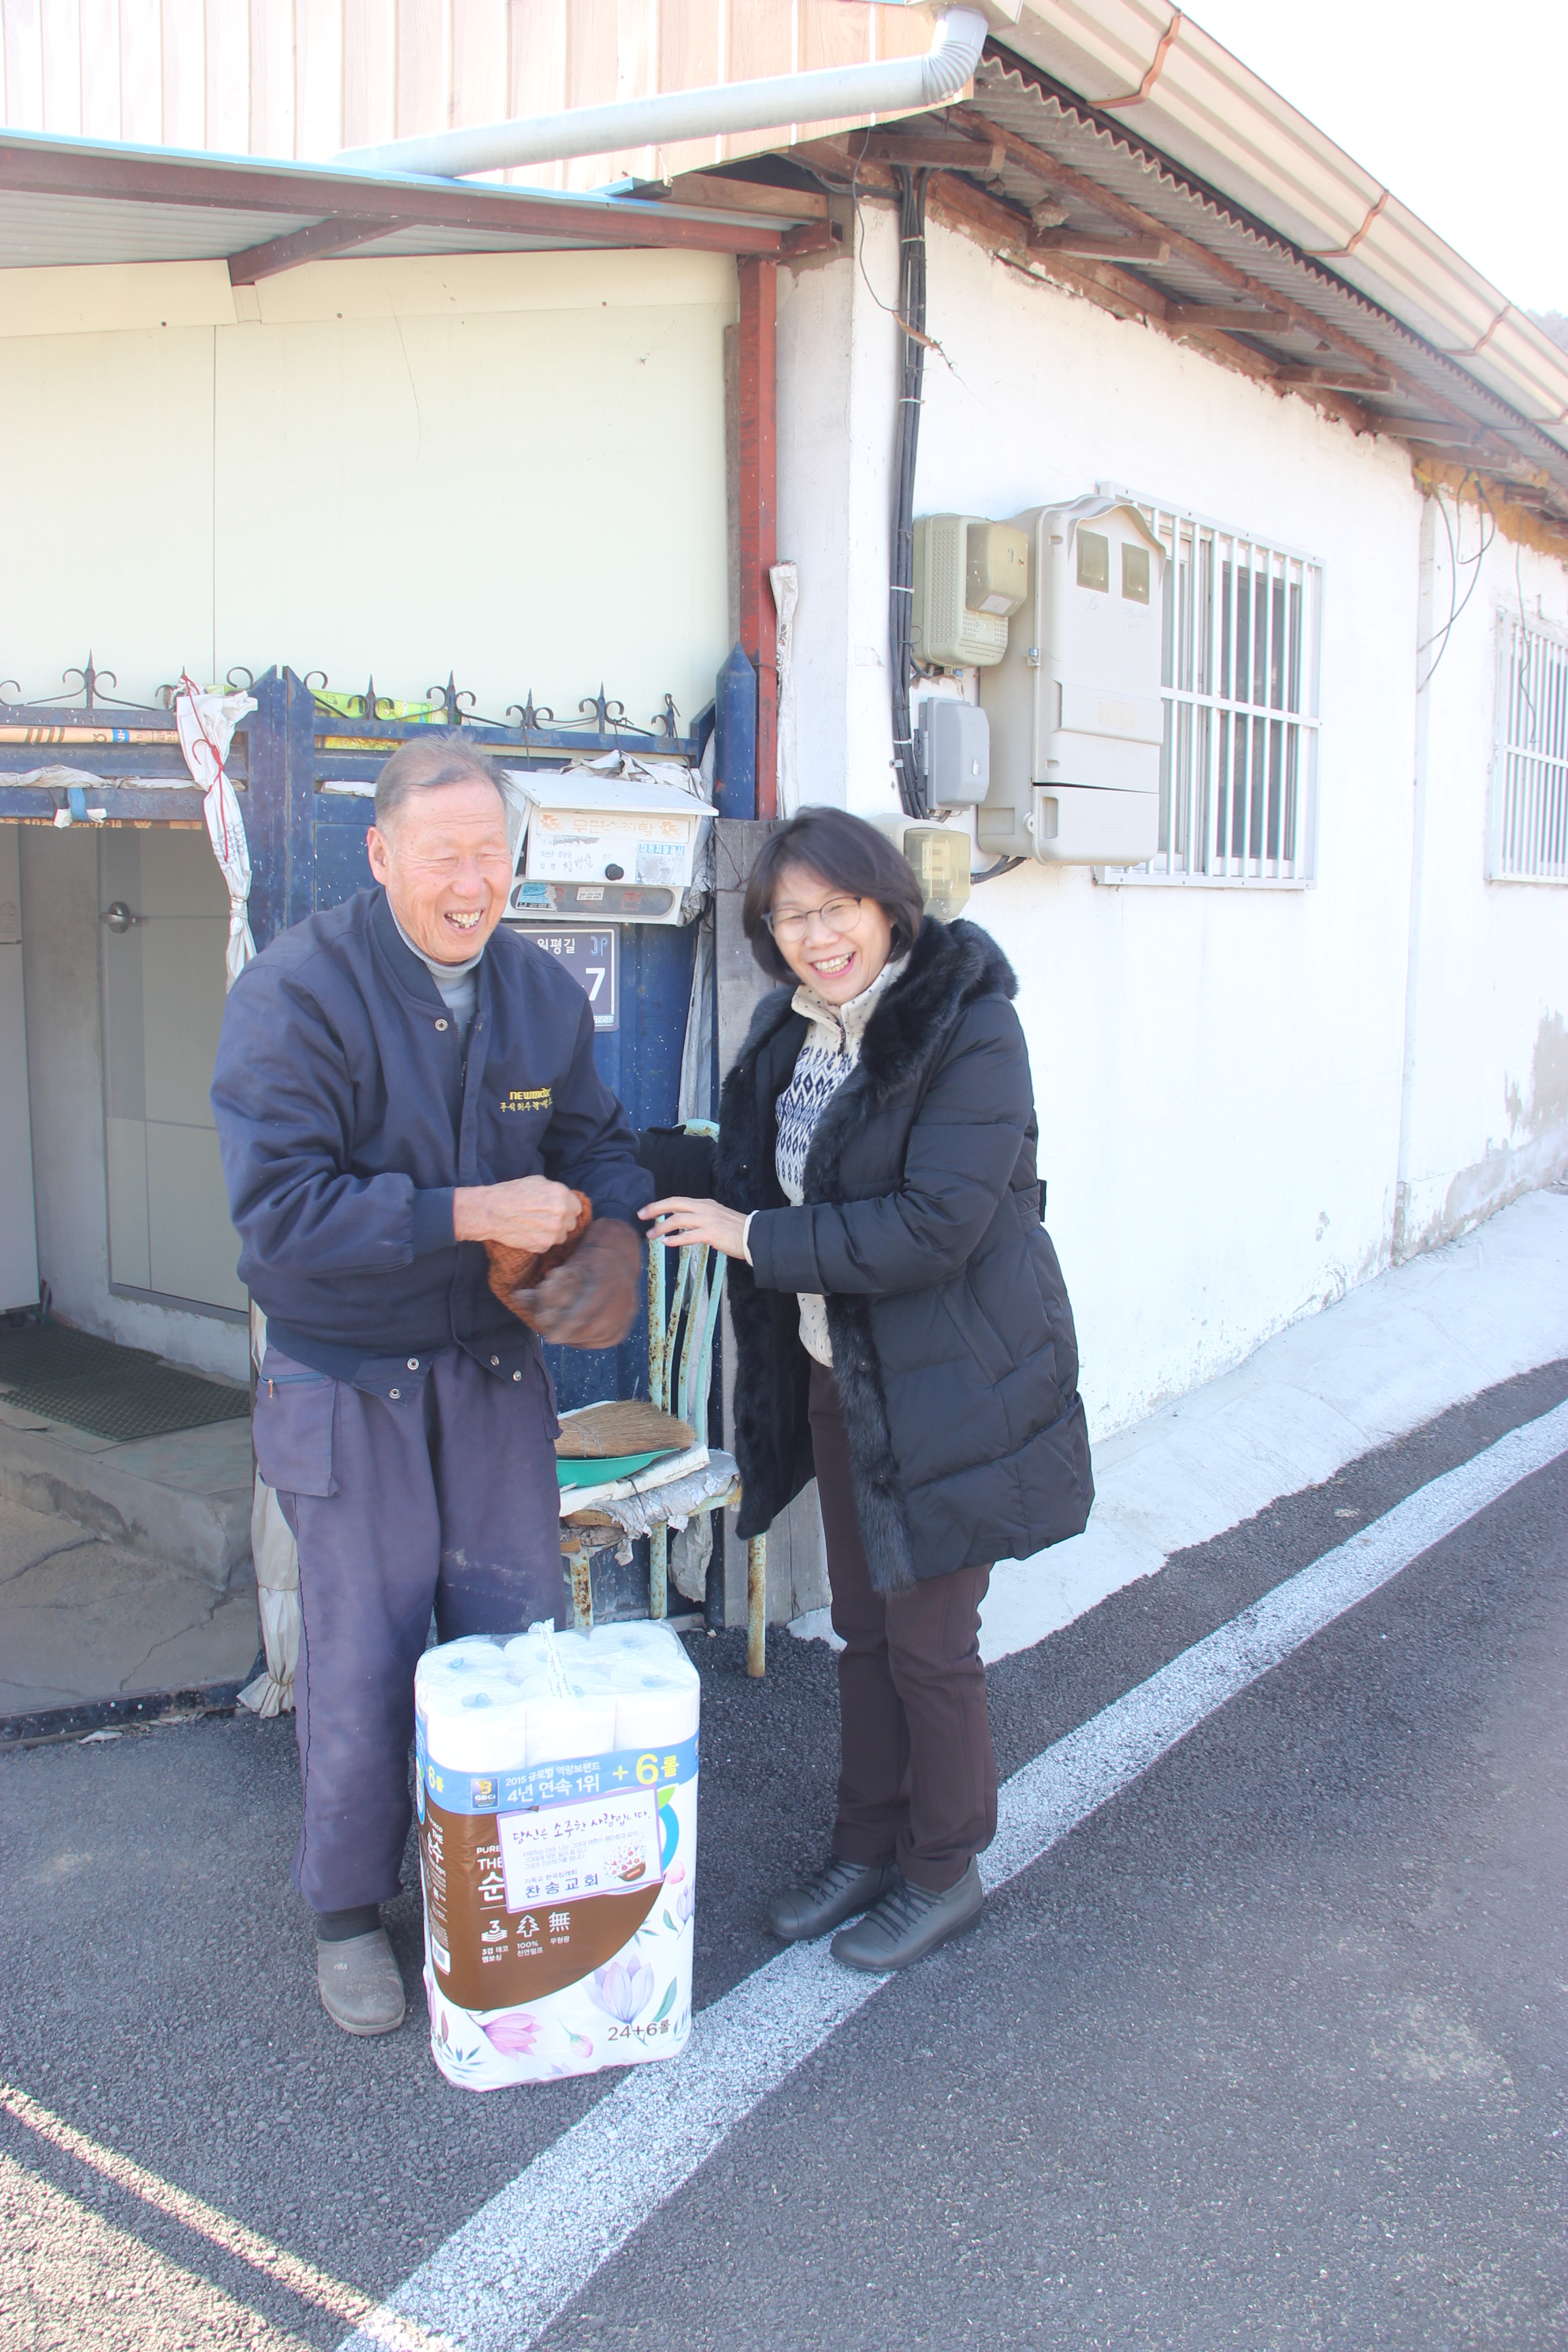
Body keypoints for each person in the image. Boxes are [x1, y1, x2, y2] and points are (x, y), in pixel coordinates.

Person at [211, 739, 649, 2036]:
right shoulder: (296, 993)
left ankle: (492, 1884)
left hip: (493, 1371)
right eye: (443, 856)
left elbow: (598, 1145)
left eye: (491, 857)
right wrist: (468, 1211)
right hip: (347, 1378)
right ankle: (349, 1912)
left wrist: (613, 1234)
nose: (471, 884)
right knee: (364, 1652)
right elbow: (279, 1215)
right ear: (381, 854)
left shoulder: (537, 993)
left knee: (510, 1637)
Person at [640, 807, 1092, 1973]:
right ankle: (865, 1847)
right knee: (864, 1631)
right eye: (790, 916)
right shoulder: (793, 1032)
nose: (816, 935)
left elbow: (934, 1224)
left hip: (952, 1381)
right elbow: (749, 1170)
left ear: (887, 905)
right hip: (842, 1375)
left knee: (931, 1643)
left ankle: (943, 1868)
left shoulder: (968, 1029)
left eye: (836, 907)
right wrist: (616, 1161)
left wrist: (751, 1238)